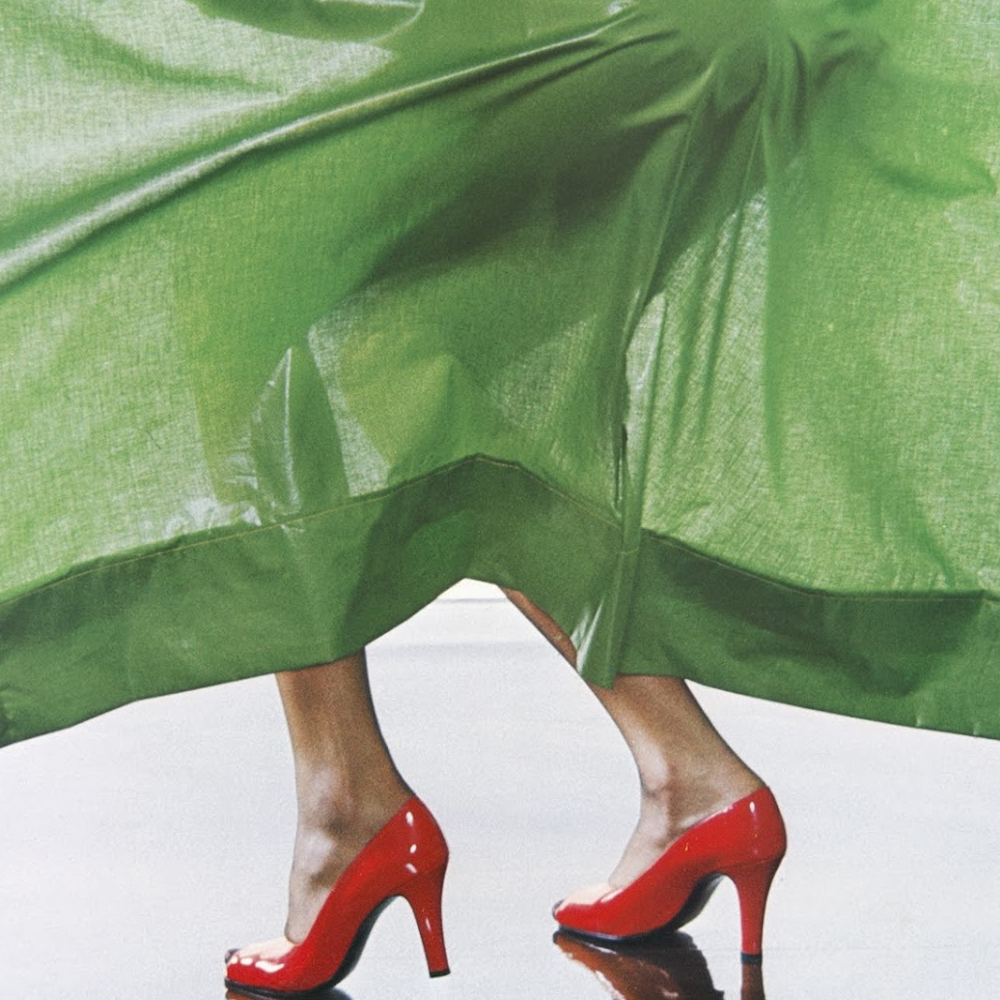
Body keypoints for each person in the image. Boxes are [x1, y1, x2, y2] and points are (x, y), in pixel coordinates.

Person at [2, 1, 998, 998]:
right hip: (767, 31)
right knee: (409, 360)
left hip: (606, 35)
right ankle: (685, 775)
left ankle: (345, 798)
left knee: (232, 263)